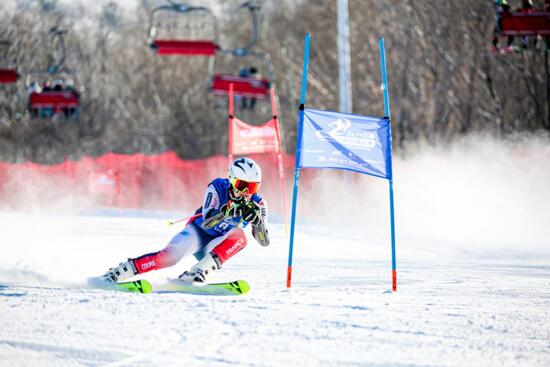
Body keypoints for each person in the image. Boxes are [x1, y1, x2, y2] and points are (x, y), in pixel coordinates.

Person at [97, 157, 270, 284]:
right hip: (198, 234)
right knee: (169, 258)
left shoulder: (258, 203)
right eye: (242, 186)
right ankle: (118, 273)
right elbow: (206, 221)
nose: (247, 192)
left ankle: (197, 272)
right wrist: (227, 211)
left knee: (240, 237)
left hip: (216, 245)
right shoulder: (217, 187)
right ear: (232, 180)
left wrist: (258, 223)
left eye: (253, 187)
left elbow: (264, 242)